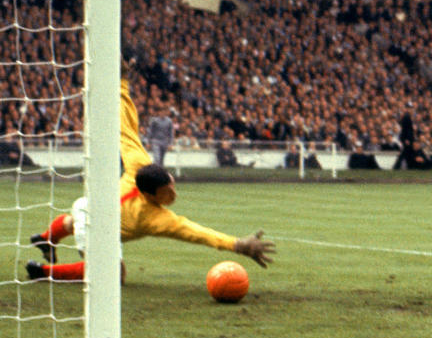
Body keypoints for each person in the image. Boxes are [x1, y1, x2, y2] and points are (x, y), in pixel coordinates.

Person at [26, 76, 275, 281]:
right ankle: (41, 272)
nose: (174, 194)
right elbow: (195, 232)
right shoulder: (153, 218)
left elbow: (125, 128)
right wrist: (238, 245)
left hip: (87, 205)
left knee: (75, 219)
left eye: (173, 185)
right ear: (149, 195)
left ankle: (47, 238)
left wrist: (122, 82)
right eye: (168, 192)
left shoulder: (139, 163)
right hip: (97, 226)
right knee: (111, 275)